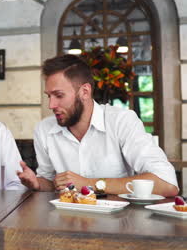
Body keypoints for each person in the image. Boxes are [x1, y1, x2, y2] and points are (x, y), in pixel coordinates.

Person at [17, 54, 178, 197]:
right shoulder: (44, 129)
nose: (51, 105)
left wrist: (89, 183)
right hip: (66, 223)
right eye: (49, 96)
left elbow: (167, 183)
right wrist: (38, 184)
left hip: (120, 224)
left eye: (59, 95)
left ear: (85, 92)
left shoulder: (122, 121)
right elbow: (51, 182)